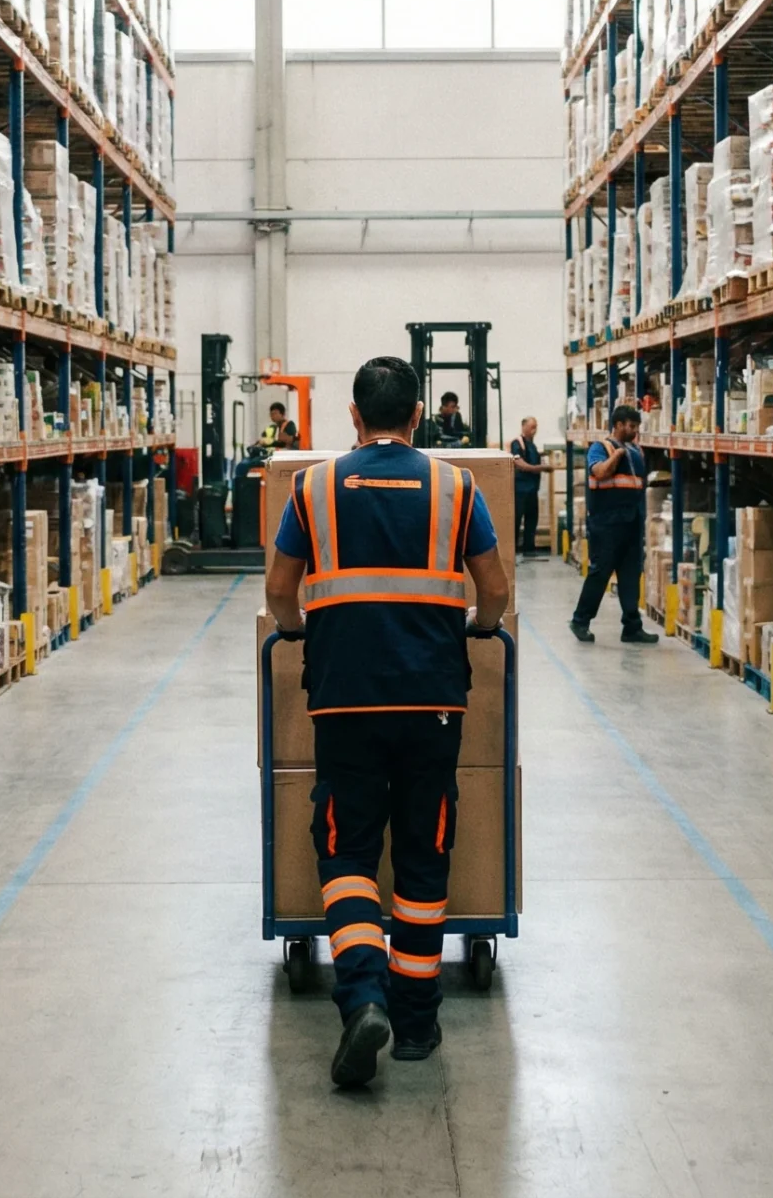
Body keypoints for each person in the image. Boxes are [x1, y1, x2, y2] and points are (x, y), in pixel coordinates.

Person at [267, 356, 511, 1090]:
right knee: (423, 854)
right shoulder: (455, 486)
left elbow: (280, 589)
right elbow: (495, 587)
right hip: (433, 699)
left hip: (343, 697)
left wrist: (299, 629)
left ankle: (363, 997)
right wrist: (479, 626)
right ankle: (415, 1022)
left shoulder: (313, 487)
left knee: (346, 851)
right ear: (418, 416)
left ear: (353, 415)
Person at [571, 404, 656, 644]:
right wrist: (617, 455)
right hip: (606, 524)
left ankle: (632, 627)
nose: (635, 431)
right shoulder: (600, 448)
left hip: (631, 523)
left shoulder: (636, 451)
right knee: (600, 573)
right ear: (618, 425)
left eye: (637, 427)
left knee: (630, 575)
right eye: (631, 426)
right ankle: (580, 621)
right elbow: (599, 472)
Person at [509, 416, 546, 556]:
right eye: (532, 427)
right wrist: (538, 468)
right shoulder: (517, 443)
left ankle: (529, 550)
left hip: (532, 489)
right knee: (516, 520)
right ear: (523, 426)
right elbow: (519, 463)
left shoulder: (532, 445)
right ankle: (512, 551)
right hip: (520, 490)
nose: (534, 430)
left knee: (532, 520)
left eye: (536, 427)